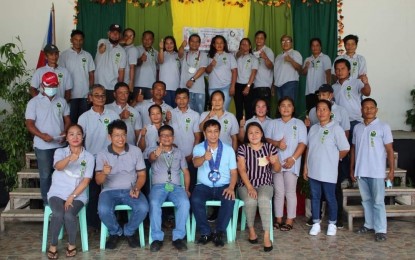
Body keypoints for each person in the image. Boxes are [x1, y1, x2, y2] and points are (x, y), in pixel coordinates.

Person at [96, 120, 149, 249]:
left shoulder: (136, 151)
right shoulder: (102, 154)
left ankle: (129, 231)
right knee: (103, 210)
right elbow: (98, 181)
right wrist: (104, 172)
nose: (121, 138)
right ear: (110, 137)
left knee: (143, 208)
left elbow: (142, 175)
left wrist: (136, 187)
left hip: (130, 189)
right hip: (109, 191)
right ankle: (115, 232)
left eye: (123, 135)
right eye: (117, 135)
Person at [305, 84, 350, 228]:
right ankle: (316, 223)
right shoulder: (313, 129)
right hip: (314, 170)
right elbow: (309, 149)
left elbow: (345, 148)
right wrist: (306, 167)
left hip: (329, 170)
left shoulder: (336, 128)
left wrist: (332, 158)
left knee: (331, 197)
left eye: (324, 109)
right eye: (318, 110)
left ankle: (332, 223)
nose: (321, 112)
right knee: (315, 197)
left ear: (330, 112)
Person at [46, 124, 94, 259]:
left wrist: (72, 196)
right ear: (66, 138)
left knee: (69, 214)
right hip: (57, 192)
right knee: (58, 212)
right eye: (71, 134)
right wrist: (69, 158)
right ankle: (53, 245)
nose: (75, 137)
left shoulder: (89, 157)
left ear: (83, 137)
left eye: (78, 134)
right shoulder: (60, 152)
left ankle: (72, 244)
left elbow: (86, 181)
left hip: (77, 194)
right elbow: (57, 167)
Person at [350, 98, 394, 242]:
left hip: (376, 171)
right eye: (365, 107)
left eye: (371, 107)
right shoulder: (357, 128)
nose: (368, 110)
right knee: (366, 200)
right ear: (361, 110)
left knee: (378, 201)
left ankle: (381, 229)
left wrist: (392, 170)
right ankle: (369, 224)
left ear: (376, 110)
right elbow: (354, 149)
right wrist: (352, 169)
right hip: (362, 170)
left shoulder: (383, 126)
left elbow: (389, 149)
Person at [25, 72, 71, 205]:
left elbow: (67, 120)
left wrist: (65, 132)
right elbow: (29, 124)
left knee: (61, 175)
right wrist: (41, 136)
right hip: (43, 147)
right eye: (49, 85)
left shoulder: (61, 101)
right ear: (42, 86)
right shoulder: (33, 103)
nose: (52, 88)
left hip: (60, 145)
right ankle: (48, 206)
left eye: (54, 85)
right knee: (45, 176)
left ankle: (62, 203)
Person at [78, 84, 119, 229]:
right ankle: (94, 224)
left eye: (102, 95)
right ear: (90, 98)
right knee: (94, 191)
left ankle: (114, 221)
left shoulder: (113, 114)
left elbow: (117, 136)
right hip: (93, 159)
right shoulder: (84, 117)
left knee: (113, 189)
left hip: (111, 157)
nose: (100, 98)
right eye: (96, 95)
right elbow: (80, 140)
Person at [191, 119, 237, 247]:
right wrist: (204, 158)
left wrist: (231, 187)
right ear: (205, 133)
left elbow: (234, 172)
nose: (213, 134)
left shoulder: (228, 150)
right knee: (195, 200)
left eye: (215, 131)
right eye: (209, 131)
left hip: (223, 186)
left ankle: (219, 232)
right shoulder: (199, 148)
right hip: (203, 186)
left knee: (229, 199)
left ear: (219, 132)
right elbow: (195, 163)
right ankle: (205, 232)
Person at [237, 122, 280, 252]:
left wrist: (275, 162)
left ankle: (267, 235)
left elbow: (278, 169)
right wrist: (250, 187)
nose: (254, 135)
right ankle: (251, 230)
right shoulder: (242, 149)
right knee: (250, 200)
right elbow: (242, 170)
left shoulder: (270, 148)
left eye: (257, 132)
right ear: (247, 135)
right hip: (245, 184)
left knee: (263, 200)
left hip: (265, 183)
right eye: (250, 132)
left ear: (261, 134)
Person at [148, 125, 191, 252]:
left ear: (173, 137)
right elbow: (151, 158)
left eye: (169, 135)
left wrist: (187, 189)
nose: (166, 138)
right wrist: (157, 152)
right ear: (158, 138)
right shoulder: (154, 150)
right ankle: (157, 238)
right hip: (158, 187)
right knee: (154, 203)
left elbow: (186, 172)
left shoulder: (179, 153)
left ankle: (178, 237)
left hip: (176, 187)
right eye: (163, 135)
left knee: (184, 202)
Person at [267, 97, 307, 231]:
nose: (286, 108)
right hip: (276, 163)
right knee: (278, 192)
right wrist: (277, 143)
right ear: (279, 108)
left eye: (289, 105)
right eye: (283, 105)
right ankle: (278, 219)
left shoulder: (299, 123)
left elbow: (303, 143)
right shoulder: (273, 123)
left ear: (293, 108)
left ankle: (289, 220)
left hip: (292, 163)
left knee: (290, 192)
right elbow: (266, 139)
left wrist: (293, 159)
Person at [59, 29, 95, 124]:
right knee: (71, 121)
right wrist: (66, 93)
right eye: (75, 39)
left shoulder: (88, 55)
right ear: (71, 40)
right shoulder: (64, 55)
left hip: (85, 95)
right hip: (70, 95)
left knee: (83, 121)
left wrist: (90, 92)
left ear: (83, 40)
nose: (78, 42)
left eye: (80, 40)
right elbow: (61, 75)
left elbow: (91, 74)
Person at [170, 88, 201, 192]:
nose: (181, 101)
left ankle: (191, 205)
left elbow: (197, 136)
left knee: (191, 184)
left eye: (184, 98)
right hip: (173, 156)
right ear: (175, 100)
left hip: (190, 156)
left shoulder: (195, 115)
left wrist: (192, 154)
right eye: (178, 98)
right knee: (174, 183)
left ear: (188, 99)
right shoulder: (170, 113)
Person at [333, 58, 371, 143]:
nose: (340, 71)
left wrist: (366, 83)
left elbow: (367, 93)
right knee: (343, 147)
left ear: (349, 70)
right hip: (340, 122)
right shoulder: (333, 87)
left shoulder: (356, 82)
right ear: (335, 72)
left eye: (343, 69)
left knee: (356, 148)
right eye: (337, 69)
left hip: (355, 121)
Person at [94, 24, 127, 104]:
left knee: (110, 112)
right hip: (98, 85)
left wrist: (119, 88)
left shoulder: (122, 51)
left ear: (120, 35)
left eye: (117, 33)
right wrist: (103, 47)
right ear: (108, 33)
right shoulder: (102, 41)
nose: (115, 35)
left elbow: (121, 71)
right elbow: (101, 49)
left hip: (112, 87)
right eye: (113, 32)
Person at [137, 104, 164, 195]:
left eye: (158, 113)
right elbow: (141, 148)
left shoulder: (166, 128)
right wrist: (143, 136)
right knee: (147, 182)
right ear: (149, 116)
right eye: (153, 114)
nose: (155, 116)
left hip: (163, 158)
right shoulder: (146, 129)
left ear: (162, 114)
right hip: (147, 159)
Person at [178, 34, 208, 114]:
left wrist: (192, 80)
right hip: (185, 89)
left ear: (199, 43)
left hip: (199, 90)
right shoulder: (185, 53)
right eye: (192, 41)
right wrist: (182, 46)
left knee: (199, 113)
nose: (194, 43)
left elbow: (202, 69)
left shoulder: (203, 55)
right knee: (186, 113)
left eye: (197, 42)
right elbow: (179, 54)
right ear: (189, 42)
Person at [206, 35, 237, 111]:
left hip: (226, 87)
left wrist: (232, 86)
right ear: (213, 44)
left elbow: (234, 71)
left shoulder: (229, 56)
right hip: (212, 87)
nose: (219, 45)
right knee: (214, 109)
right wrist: (211, 64)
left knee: (224, 110)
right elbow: (207, 71)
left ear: (224, 44)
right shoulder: (209, 56)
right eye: (217, 43)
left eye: (221, 43)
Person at [302, 38, 331, 112]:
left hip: (321, 92)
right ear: (311, 47)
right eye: (313, 46)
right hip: (309, 91)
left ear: (320, 47)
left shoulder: (325, 58)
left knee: (321, 111)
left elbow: (328, 73)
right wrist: (306, 66)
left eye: (317, 45)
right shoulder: (307, 59)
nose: (315, 47)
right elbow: (304, 73)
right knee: (310, 112)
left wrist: (328, 89)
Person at [234, 38, 258, 121]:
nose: (244, 46)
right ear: (240, 46)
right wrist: (241, 51)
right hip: (237, 85)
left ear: (250, 46)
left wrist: (248, 86)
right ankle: (239, 129)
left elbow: (253, 73)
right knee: (238, 108)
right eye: (242, 44)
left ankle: (249, 128)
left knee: (248, 108)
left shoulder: (253, 58)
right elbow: (237, 55)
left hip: (248, 85)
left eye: (246, 44)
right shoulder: (236, 56)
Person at [273, 35, 303, 102]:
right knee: (281, 107)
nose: (285, 43)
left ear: (291, 43)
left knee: (288, 105)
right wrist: (273, 86)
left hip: (290, 83)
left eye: (288, 41)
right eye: (283, 41)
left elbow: (300, 69)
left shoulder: (295, 53)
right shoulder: (278, 56)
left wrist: (291, 60)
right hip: (278, 85)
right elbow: (275, 72)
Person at [252, 31, 274, 108]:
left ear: (264, 40)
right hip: (253, 86)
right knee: (255, 110)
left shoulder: (268, 51)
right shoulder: (252, 51)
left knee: (265, 110)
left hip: (264, 86)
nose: (259, 40)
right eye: (257, 38)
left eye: (261, 38)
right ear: (255, 39)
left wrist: (265, 57)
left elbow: (271, 66)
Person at [135, 30, 158, 99]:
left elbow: (159, 68)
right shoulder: (136, 49)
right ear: (142, 39)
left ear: (153, 40)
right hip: (138, 84)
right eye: (145, 39)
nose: (147, 41)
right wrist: (140, 59)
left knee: (149, 107)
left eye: (149, 39)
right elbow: (132, 65)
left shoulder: (156, 52)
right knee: (137, 106)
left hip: (151, 85)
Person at [158, 36, 180, 107]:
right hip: (164, 88)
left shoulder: (178, 55)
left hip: (176, 87)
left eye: (171, 43)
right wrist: (161, 49)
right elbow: (161, 61)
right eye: (166, 43)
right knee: (166, 109)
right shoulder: (162, 53)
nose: (169, 45)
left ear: (174, 44)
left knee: (175, 110)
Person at [121, 28, 139, 94]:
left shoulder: (132, 50)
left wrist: (131, 83)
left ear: (134, 38)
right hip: (120, 81)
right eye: (126, 35)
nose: (128, 38)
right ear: (123, 37)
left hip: (126, 82)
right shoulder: (122, 48)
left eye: (131, 36)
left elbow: (132, 67)